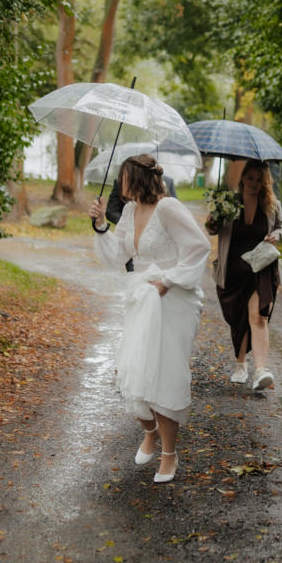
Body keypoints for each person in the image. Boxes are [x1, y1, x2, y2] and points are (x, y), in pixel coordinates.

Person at [89, 154, 210, 483]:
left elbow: (199, 248)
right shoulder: (129, 211)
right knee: (131, 369)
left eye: (122, 177)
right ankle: (150, 431)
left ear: (137, 179)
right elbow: (119, 255)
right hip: (142, 298)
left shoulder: (168, 208)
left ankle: (169, 455)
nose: (118, 184)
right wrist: (101, 224)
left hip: (174, 299)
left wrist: (168, 281)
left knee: (165, 374)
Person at [207, 159, 282, 390]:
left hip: (261, 270)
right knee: (237, 318)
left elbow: (281, 227)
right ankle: (241, 364)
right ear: (242, 179)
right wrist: (213, 220)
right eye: (250, 178)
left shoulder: (272, 205)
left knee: (258, 317)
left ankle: (261, 370)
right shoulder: (229, 202)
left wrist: (277, 236)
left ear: (265, 182)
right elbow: (212, 229)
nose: (254, 183)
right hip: (233, 271)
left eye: (259, 180)